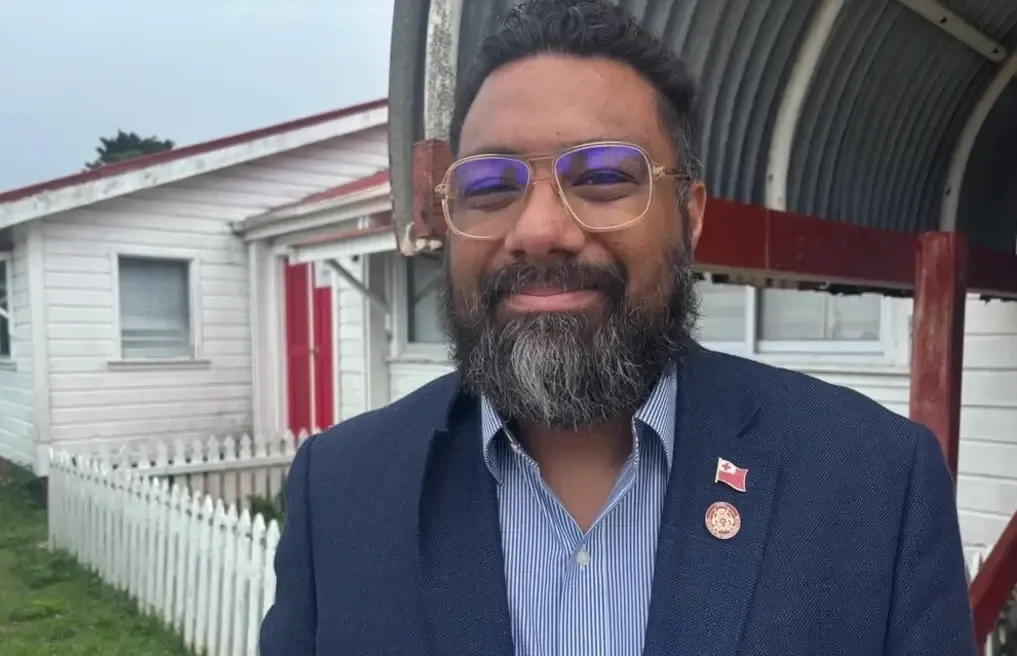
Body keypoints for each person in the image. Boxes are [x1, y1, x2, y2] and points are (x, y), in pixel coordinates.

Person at [259, 0, 977, 654]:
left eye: (602, 178)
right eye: (488, 186)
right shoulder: (344, 492)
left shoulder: (871, 484)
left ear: (690, 217)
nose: (538, 231)